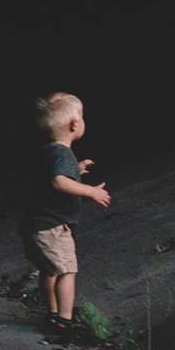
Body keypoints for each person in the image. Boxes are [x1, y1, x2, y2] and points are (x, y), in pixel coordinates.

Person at [22, 91, 110, 336]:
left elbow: (53, 176)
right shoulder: (61, 153)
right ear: (74, 124)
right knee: (67, 271)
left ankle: (52, 313)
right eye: (81, 116)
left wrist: (76, 170)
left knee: (49, 271)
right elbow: (59, 182)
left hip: (35, 226)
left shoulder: (48, 151)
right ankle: (64, 320)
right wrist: (90, 191)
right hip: (52, 228)